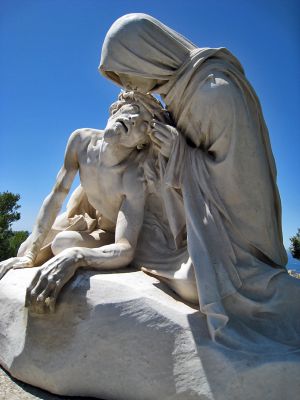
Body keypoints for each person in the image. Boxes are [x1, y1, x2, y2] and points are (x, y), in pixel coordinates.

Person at [99, 13, 300, 350]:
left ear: (145, 53)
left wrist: (180, 154)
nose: (127, 86)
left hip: (238, 239)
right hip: (203, 228)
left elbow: (243, 186)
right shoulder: (178, 96)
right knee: (165, 260)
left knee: (201, 282)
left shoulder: (214, 92)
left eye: (126, 71)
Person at [0, 91, 189, 313]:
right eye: (134, 110)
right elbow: (56, 196)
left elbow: (125, 248)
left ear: (142, 143)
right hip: (86, 215)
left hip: (109, 231)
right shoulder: (81, 140)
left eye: (143, 123)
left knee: (64, 244)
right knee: (24, 250)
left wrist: (78, 257)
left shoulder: (133, 177)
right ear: (117, 109)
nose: (132, 120)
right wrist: (32, 253)